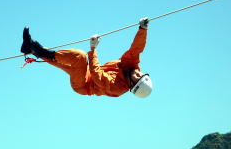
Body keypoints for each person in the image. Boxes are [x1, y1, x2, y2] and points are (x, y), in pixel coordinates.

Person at [20, 17, 153, 98]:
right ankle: (31, 48)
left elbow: (97, 75)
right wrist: (143, 29)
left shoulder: (117, 88)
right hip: (88, 71)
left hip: (83, 85)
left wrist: (93, 49)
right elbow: (136, 49)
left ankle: (36, 49)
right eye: (141, 74)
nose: (137, 73)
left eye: (137, 78)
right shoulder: (132, 66)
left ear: (131, 84)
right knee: (58, 60)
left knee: (80, 56)